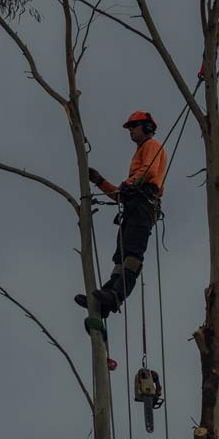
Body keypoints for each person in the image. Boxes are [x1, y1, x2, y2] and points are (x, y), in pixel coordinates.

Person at [75, 110, 166, 317]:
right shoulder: (139, 153)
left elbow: (149, 172)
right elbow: (120, 196)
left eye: (133, 127)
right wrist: (100, 181)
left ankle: (116, 295)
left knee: (132, 254)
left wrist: (129, 184)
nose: (130, 132)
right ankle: (107, 297)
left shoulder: (152, 145)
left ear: (147, 127)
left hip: (144, 205)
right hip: (134, 205)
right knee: (121, 256)